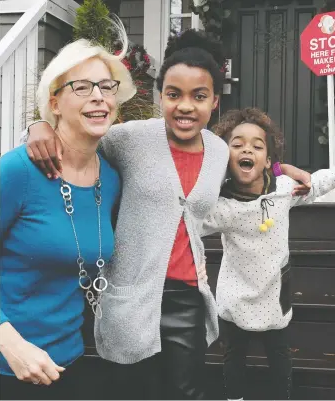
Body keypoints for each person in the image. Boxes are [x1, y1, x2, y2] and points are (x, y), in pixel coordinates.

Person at [24, 31, 310, 400]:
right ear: (161, 97)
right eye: (174, 94)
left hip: (188, 298)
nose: (186, 106)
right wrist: (38, 126)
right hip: (132, 293)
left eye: (199, 96)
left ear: (215, 102)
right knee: (131, 392)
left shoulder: (219, 152)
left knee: (185, 393)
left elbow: (248, 171)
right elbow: (74, 141)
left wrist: (283, 170)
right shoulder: (130, 138)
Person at [0, 18, 136, 400]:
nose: (98, 96)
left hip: (69, 364)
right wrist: (10, 344)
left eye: (106, 87)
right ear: (54, 103)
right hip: (8, 369)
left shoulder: (109, 177)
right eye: (82, 86)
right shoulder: (16, 171)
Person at [200, 107, 335, 400]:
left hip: (275, 297)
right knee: (234, 358)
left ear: (268, 161)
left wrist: (294, 172)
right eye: (236, 145)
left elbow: (317, 184)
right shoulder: (221, 206)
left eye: (256, 146)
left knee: (280, 360)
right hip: (234, 299)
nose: (246, 148)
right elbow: (188, 219)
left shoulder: (284, 190)